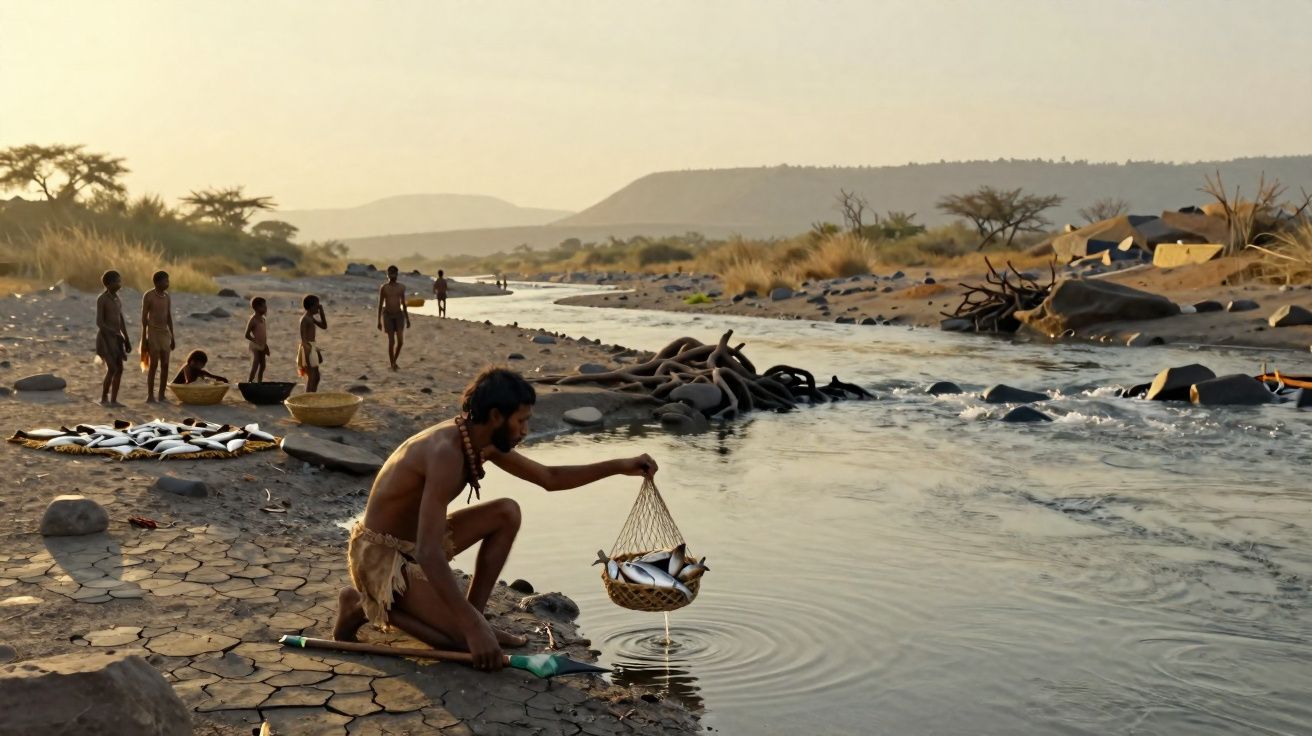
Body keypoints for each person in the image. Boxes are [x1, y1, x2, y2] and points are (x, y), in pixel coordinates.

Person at [332, 367, 657, 671]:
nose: (525, 430)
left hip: (415, 545)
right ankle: (358, 604)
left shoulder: (481, 440)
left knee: (506, 512)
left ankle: (473, 616)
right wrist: (472, 630)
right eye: (521, 421)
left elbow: (550, 477)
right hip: (382, 557)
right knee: (461, 647)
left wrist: (621, 465)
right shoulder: (446, 451)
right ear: (495, 416)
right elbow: (430, 553)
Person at [95, 270, 131, 407]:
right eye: (117, 281)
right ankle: (104, 398)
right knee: (112, 369)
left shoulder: (117, 299)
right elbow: (99, 322)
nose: (119, 284)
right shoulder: (102, 299)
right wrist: (112, 333)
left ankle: (114, 400)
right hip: (105, 339)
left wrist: (125, 338)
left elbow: (120, 320)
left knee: (120, 369)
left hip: (117, 339)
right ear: (108, 284)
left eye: (120, 281)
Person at [140, 270, 175, 403]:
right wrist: (144, 338)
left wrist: (172, 336)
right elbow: (144, 318)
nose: (167, 283)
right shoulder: (148, 296)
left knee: (165, 364)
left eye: (168, 280)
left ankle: (162, 394)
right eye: (165, 281)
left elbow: (169, 317)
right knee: (153, 364)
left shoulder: (167, 297)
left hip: (164, 333)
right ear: (157, 282)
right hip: (153, 332)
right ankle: (150, 395)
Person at [377, 265, 410, 371]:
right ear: (388, 275)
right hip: (388, 315)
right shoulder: (384, 288)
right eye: (390, 273)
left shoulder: (401, 287)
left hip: (399, 315)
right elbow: (380, 304)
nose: (392, 275)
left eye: (394, 273)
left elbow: (403, 304)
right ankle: (392, 364)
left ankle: (394, 361)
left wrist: (407, 318)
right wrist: (379, 321)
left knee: (400, 341)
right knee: (391, 341)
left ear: (397, 274)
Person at [297, 294, 328, 392]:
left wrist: (321, 312)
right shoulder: (305, 319)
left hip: (312, 348)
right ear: (311, 307)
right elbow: (303, 338)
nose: (318, 308)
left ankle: (312, 396)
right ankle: (308, 398)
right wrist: (310, 352)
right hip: (307, 349)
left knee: (316, 377)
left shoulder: (311, 318)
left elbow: (324, 326)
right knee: (312, 377)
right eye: (317, 306)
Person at [244, 297, 271, 383]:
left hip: (262, 344)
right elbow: (246, 334)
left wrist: (266, 346)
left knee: (263, 365)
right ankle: (250, 381)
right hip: (255, 345)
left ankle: (259, 382)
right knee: (256, 363)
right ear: (257, 307)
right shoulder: (253, 320)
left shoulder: (263, 319)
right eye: (263, 306)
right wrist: (254, 340)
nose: (266, 308)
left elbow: (263, 335)